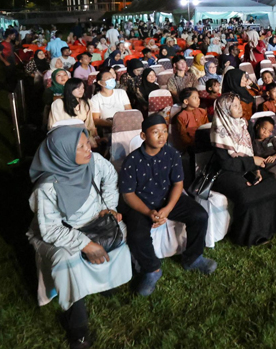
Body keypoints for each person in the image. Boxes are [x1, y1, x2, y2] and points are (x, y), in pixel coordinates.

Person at [27, 127, 132, 349]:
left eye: (87, 142)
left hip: (91, 222)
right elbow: (51, 230)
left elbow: (110, 176)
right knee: (67, 260)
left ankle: (105, 283)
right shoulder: (47, 187)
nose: (89, 148)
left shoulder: (93, 161)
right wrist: (86, 244)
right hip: (58, 233)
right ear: (63, 153)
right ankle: (78, 328)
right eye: (81, 146)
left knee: (118, 231)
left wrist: (109, 207)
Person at [119, 114, 215, 296]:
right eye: (155, 132)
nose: (161, 136)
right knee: (137, 235)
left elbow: (178, 184)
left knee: (199, 215)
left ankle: (193, 258)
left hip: (167, 198)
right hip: (142, 203)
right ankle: (152, 269)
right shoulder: (132, 161)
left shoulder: (172, 154)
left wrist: (168, 208)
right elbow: (128, 194)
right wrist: (149, 212)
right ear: (143, 135)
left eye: (164, 131)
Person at [209, 94, 276, 245]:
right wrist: (252, 162)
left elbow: (249, 151)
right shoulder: (219, 130)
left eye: (239, 104)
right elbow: (226, 163)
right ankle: (247, 236)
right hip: (225, 173)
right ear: (225, 110)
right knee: (248, 194)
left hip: (246, 166)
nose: (240, 108)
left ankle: (268, 229)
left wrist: (255, 169)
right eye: (235, 106)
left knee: (271, 185)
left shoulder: (242, 124)